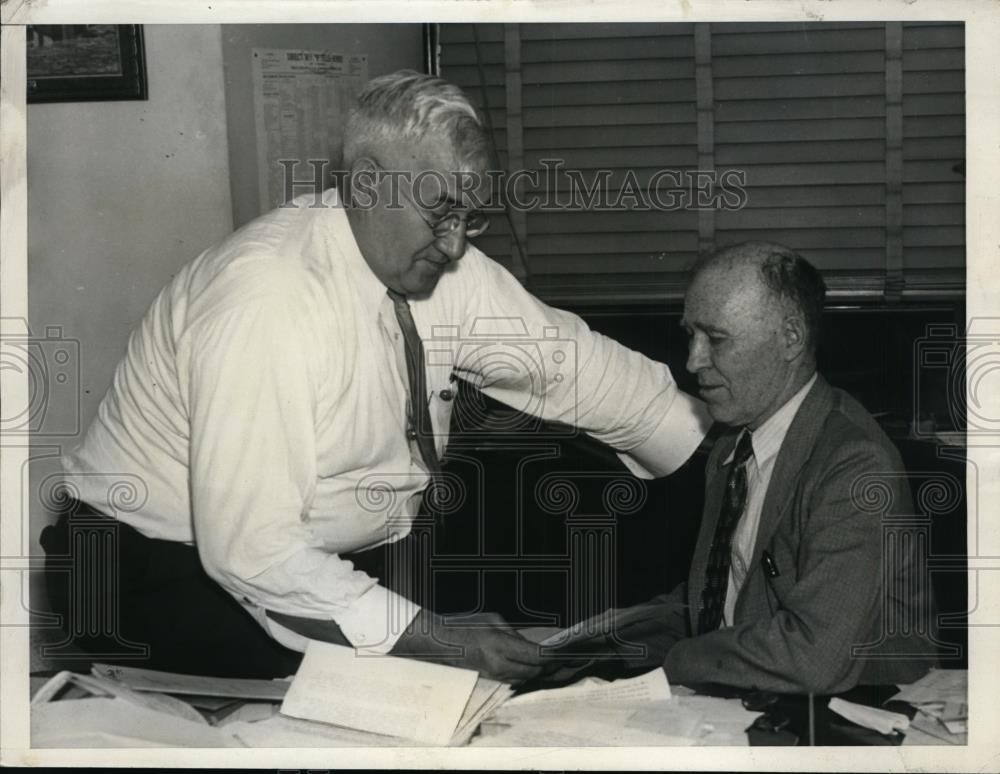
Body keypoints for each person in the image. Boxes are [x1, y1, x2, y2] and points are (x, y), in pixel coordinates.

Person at [44, 70, 710, 682]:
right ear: (367, 184)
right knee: (388, 691)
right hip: (150, 570)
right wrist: (438, 640)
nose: (455, 244)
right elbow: (253, 555)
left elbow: (580, 370)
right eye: (442, 211)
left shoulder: (444, 266)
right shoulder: (267, 298)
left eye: (470, 217)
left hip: (334, 553)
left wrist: (736, 456)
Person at [611, 242, 938, 694]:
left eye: (716, 339)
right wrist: (589, 642)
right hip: (751, 695)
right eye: (690, 334)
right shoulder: (735, 444)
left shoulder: (855, 464)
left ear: (791, 338)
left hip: (858, 717)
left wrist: (677, 660)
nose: (692, 360)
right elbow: (721, 598)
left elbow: (813, 657)